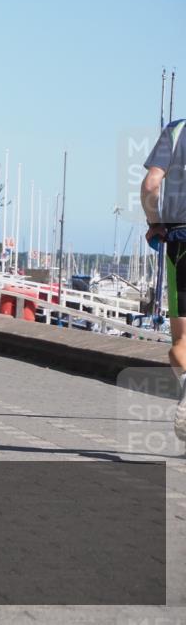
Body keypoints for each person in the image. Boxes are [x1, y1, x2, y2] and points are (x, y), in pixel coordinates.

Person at [141, 117, 186, 442]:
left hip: (181, 240)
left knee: (181, 344)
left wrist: (154, 221)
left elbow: (150, 185)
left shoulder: (177, 130)